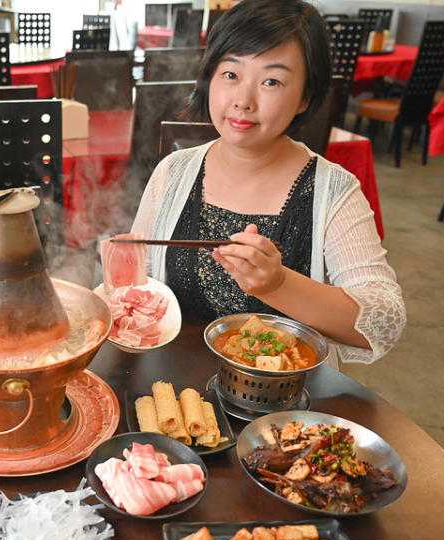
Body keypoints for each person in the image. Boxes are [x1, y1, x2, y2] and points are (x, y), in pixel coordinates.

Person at [131, 0, 404, 364]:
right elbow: (135, 283)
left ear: (306, 97)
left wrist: (278, 285)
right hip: (173, 388)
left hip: (281, 403)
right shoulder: (174, 172)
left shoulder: (334, 190)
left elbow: (383, 322)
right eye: (230, 74)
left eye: (271, 81)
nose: (243, 101)